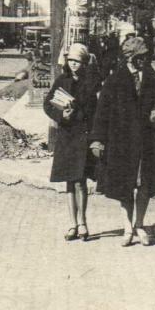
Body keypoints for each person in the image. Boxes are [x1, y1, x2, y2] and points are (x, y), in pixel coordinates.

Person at [90, 37, 155, 247]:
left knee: (144, 185)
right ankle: (127, 227)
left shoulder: (152, 78)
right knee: (125, 185)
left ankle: (140, 224)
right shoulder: (114, 80)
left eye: (145, 56)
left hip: (146, 140)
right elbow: (102, 112)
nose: (144, 60)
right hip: (121, 142)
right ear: (129, 57)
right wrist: (97, 139)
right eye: (139, 57)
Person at [44, 43, 101, 242]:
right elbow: (48, 104)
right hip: (67, 137)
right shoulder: (62, 80)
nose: (74, 64)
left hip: (83, 136)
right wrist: (62, 115)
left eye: (78, 61)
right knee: (69, 181)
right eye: (71, 61)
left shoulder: (92, 82)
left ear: (84, 63)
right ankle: (72, 224)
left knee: (80, 181)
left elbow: (96, 109)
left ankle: (83, 222)